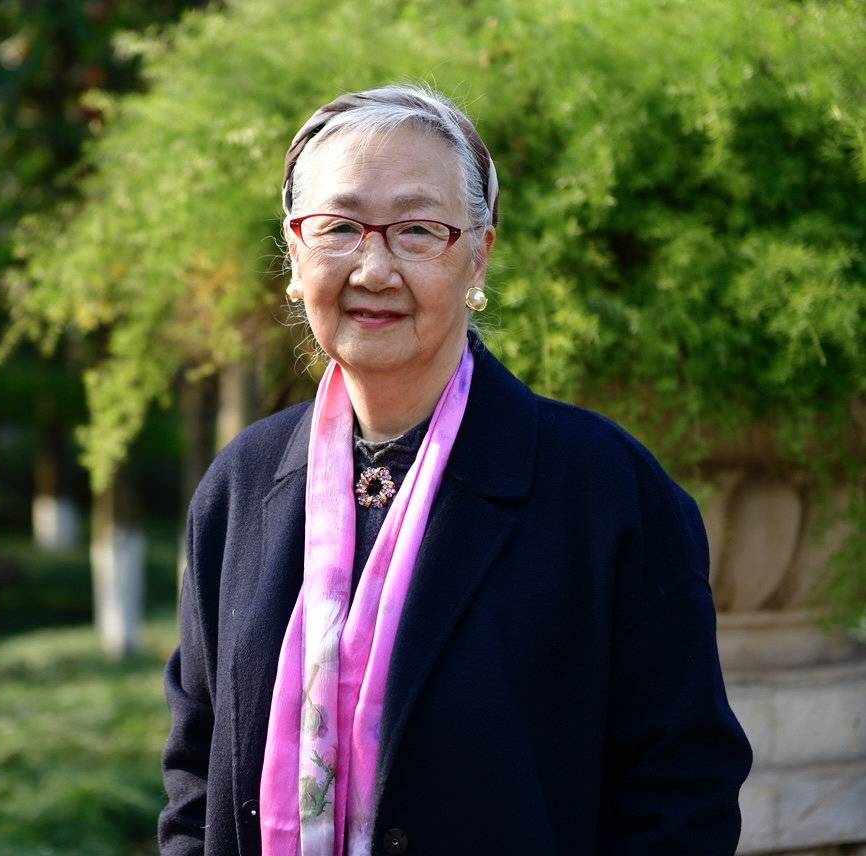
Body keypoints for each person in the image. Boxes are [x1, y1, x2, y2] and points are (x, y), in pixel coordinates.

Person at [159, 84, 752, 856]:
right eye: (339, 228)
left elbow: (683, 793)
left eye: (417, 230)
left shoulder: (603, 491)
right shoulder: (242, 485)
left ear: (480, 253)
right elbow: (195, 775)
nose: (373, 269)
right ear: (296, 254)